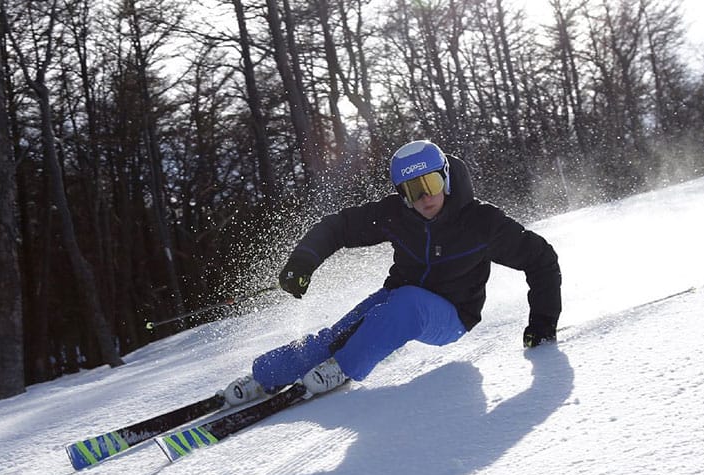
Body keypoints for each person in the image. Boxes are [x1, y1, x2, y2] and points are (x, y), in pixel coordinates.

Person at [222, 140, 562, 405]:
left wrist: (542, 325)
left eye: (430, 182)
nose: (426, 196)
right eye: (414, 189)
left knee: (405, 306)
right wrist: (303, 262)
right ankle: (263, 377)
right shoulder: (395, 216)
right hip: (398, 297)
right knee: (339, 334)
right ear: (402, 194)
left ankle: (342, 370)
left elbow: (541, 259)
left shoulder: (481, 222)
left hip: (452, 315)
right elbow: (339, 226)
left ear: (444, 177)